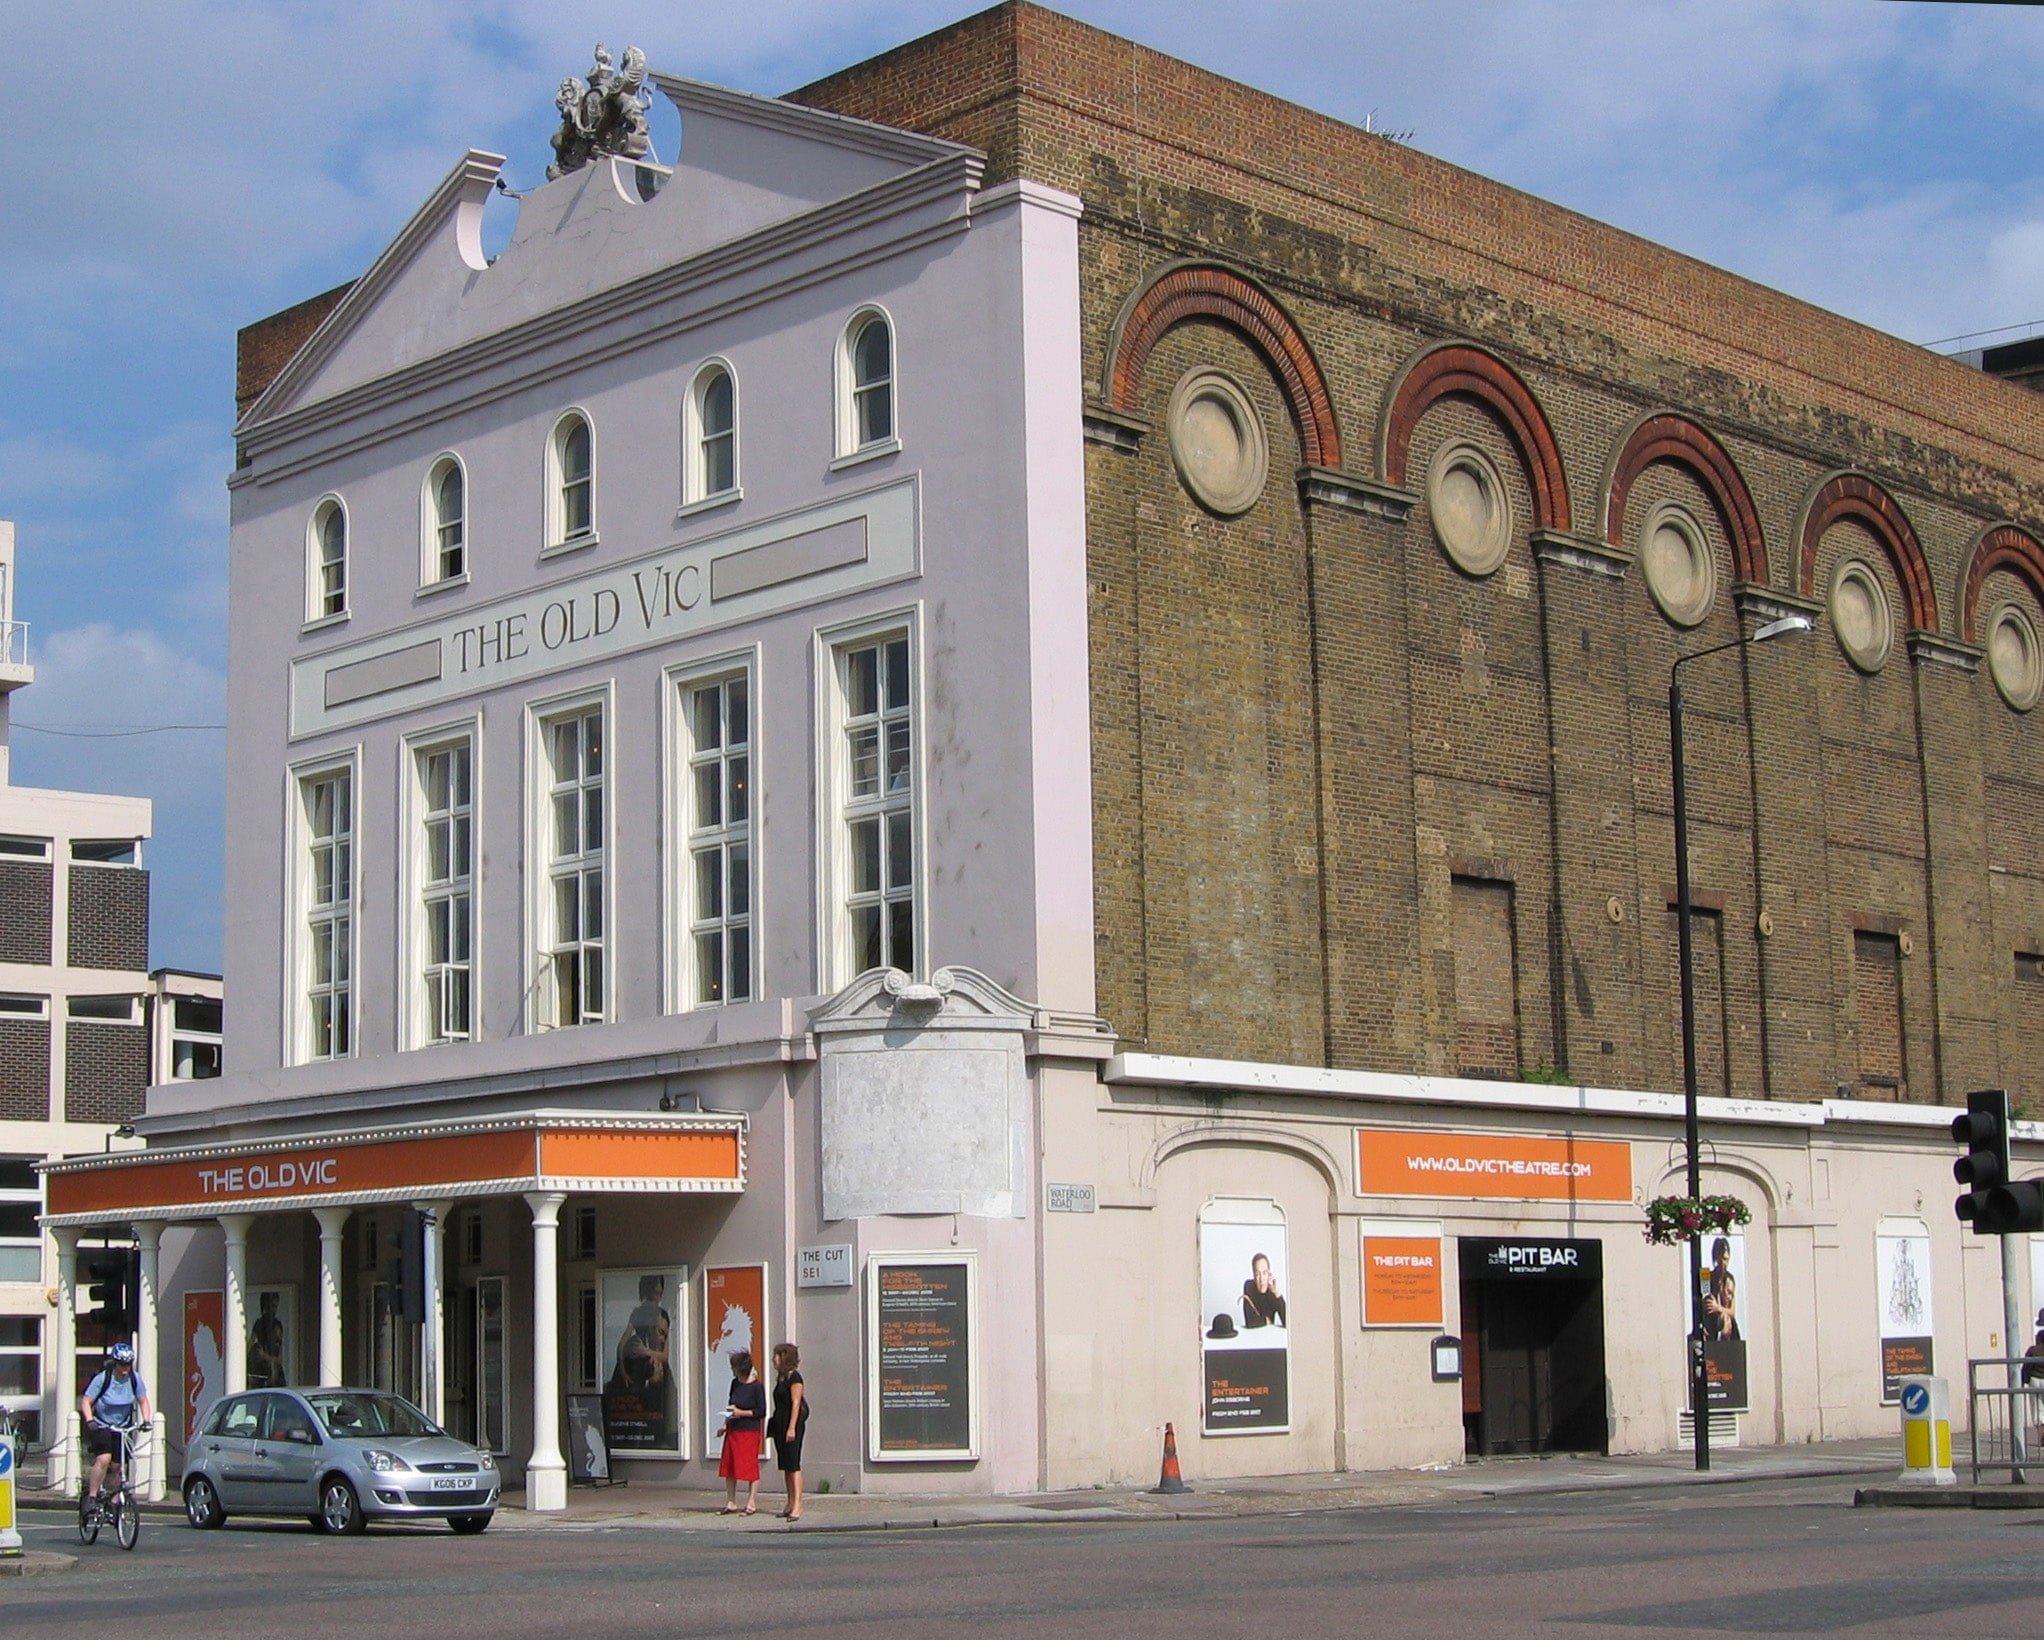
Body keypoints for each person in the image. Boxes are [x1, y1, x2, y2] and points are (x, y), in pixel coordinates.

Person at [80, 1341, 152, 1507]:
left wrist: (146, 1420)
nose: (126, 1367)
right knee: (104, 1459)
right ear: (115, 1363)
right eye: (122, 1364)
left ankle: (113, 1500)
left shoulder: (135, 1379)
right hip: (101, 1424)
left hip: (122, 1426)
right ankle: (92, 1496)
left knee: (118, 1464)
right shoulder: (103, 1379)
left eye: (128, 1364)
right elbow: (86, 1401)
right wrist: (89, 1420)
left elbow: (143, 1401)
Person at [717, 1349, 766, 1516]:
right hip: (734, 1429)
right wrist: (725, 1424)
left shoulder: (757, 1387)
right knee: (729, 1465)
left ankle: (751, 1501)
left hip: (749, 1431)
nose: (732, 1370)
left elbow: (761, 1411)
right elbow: (731, 1405)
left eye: (734, 1367)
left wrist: (741, 1413)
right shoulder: (735, 1383)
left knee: (749, 1465)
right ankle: (731, 1501)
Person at [769, 1342, 808, 1521]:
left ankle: (798, 1505)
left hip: (791, 1425)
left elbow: (796, 1404)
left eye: (776, 1356)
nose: (773, 1359)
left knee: (793, 1465)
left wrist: (792, 1427)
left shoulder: (795, 1378)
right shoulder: (781, 1378)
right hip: (780, 1423)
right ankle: (790, 1502)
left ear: (784, 1357)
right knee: (785, 1466)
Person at [1703, 1238, 1740, 1341]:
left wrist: (1718, 1308)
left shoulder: (1730, 1278)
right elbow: (1703, 1301)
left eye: (1726, 1259)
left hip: (1728, 1329)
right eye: (1722, 1258)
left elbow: (1732, 1311)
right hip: (1711, 1326)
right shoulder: (1706, 1276)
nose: (1724, 1263)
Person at [1241, 1253, 1286, 1329]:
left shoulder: (1272, 1291)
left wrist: (1277, 1294)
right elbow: (1250, 1322)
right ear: (1253, 1276)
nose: (1261, 1279)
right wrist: (1267, 1321)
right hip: (1253, 1336)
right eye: (1257, 1274)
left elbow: (1288, 1322)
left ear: (1269, 1274)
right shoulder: (1249, 1286)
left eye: (1264, 1273)